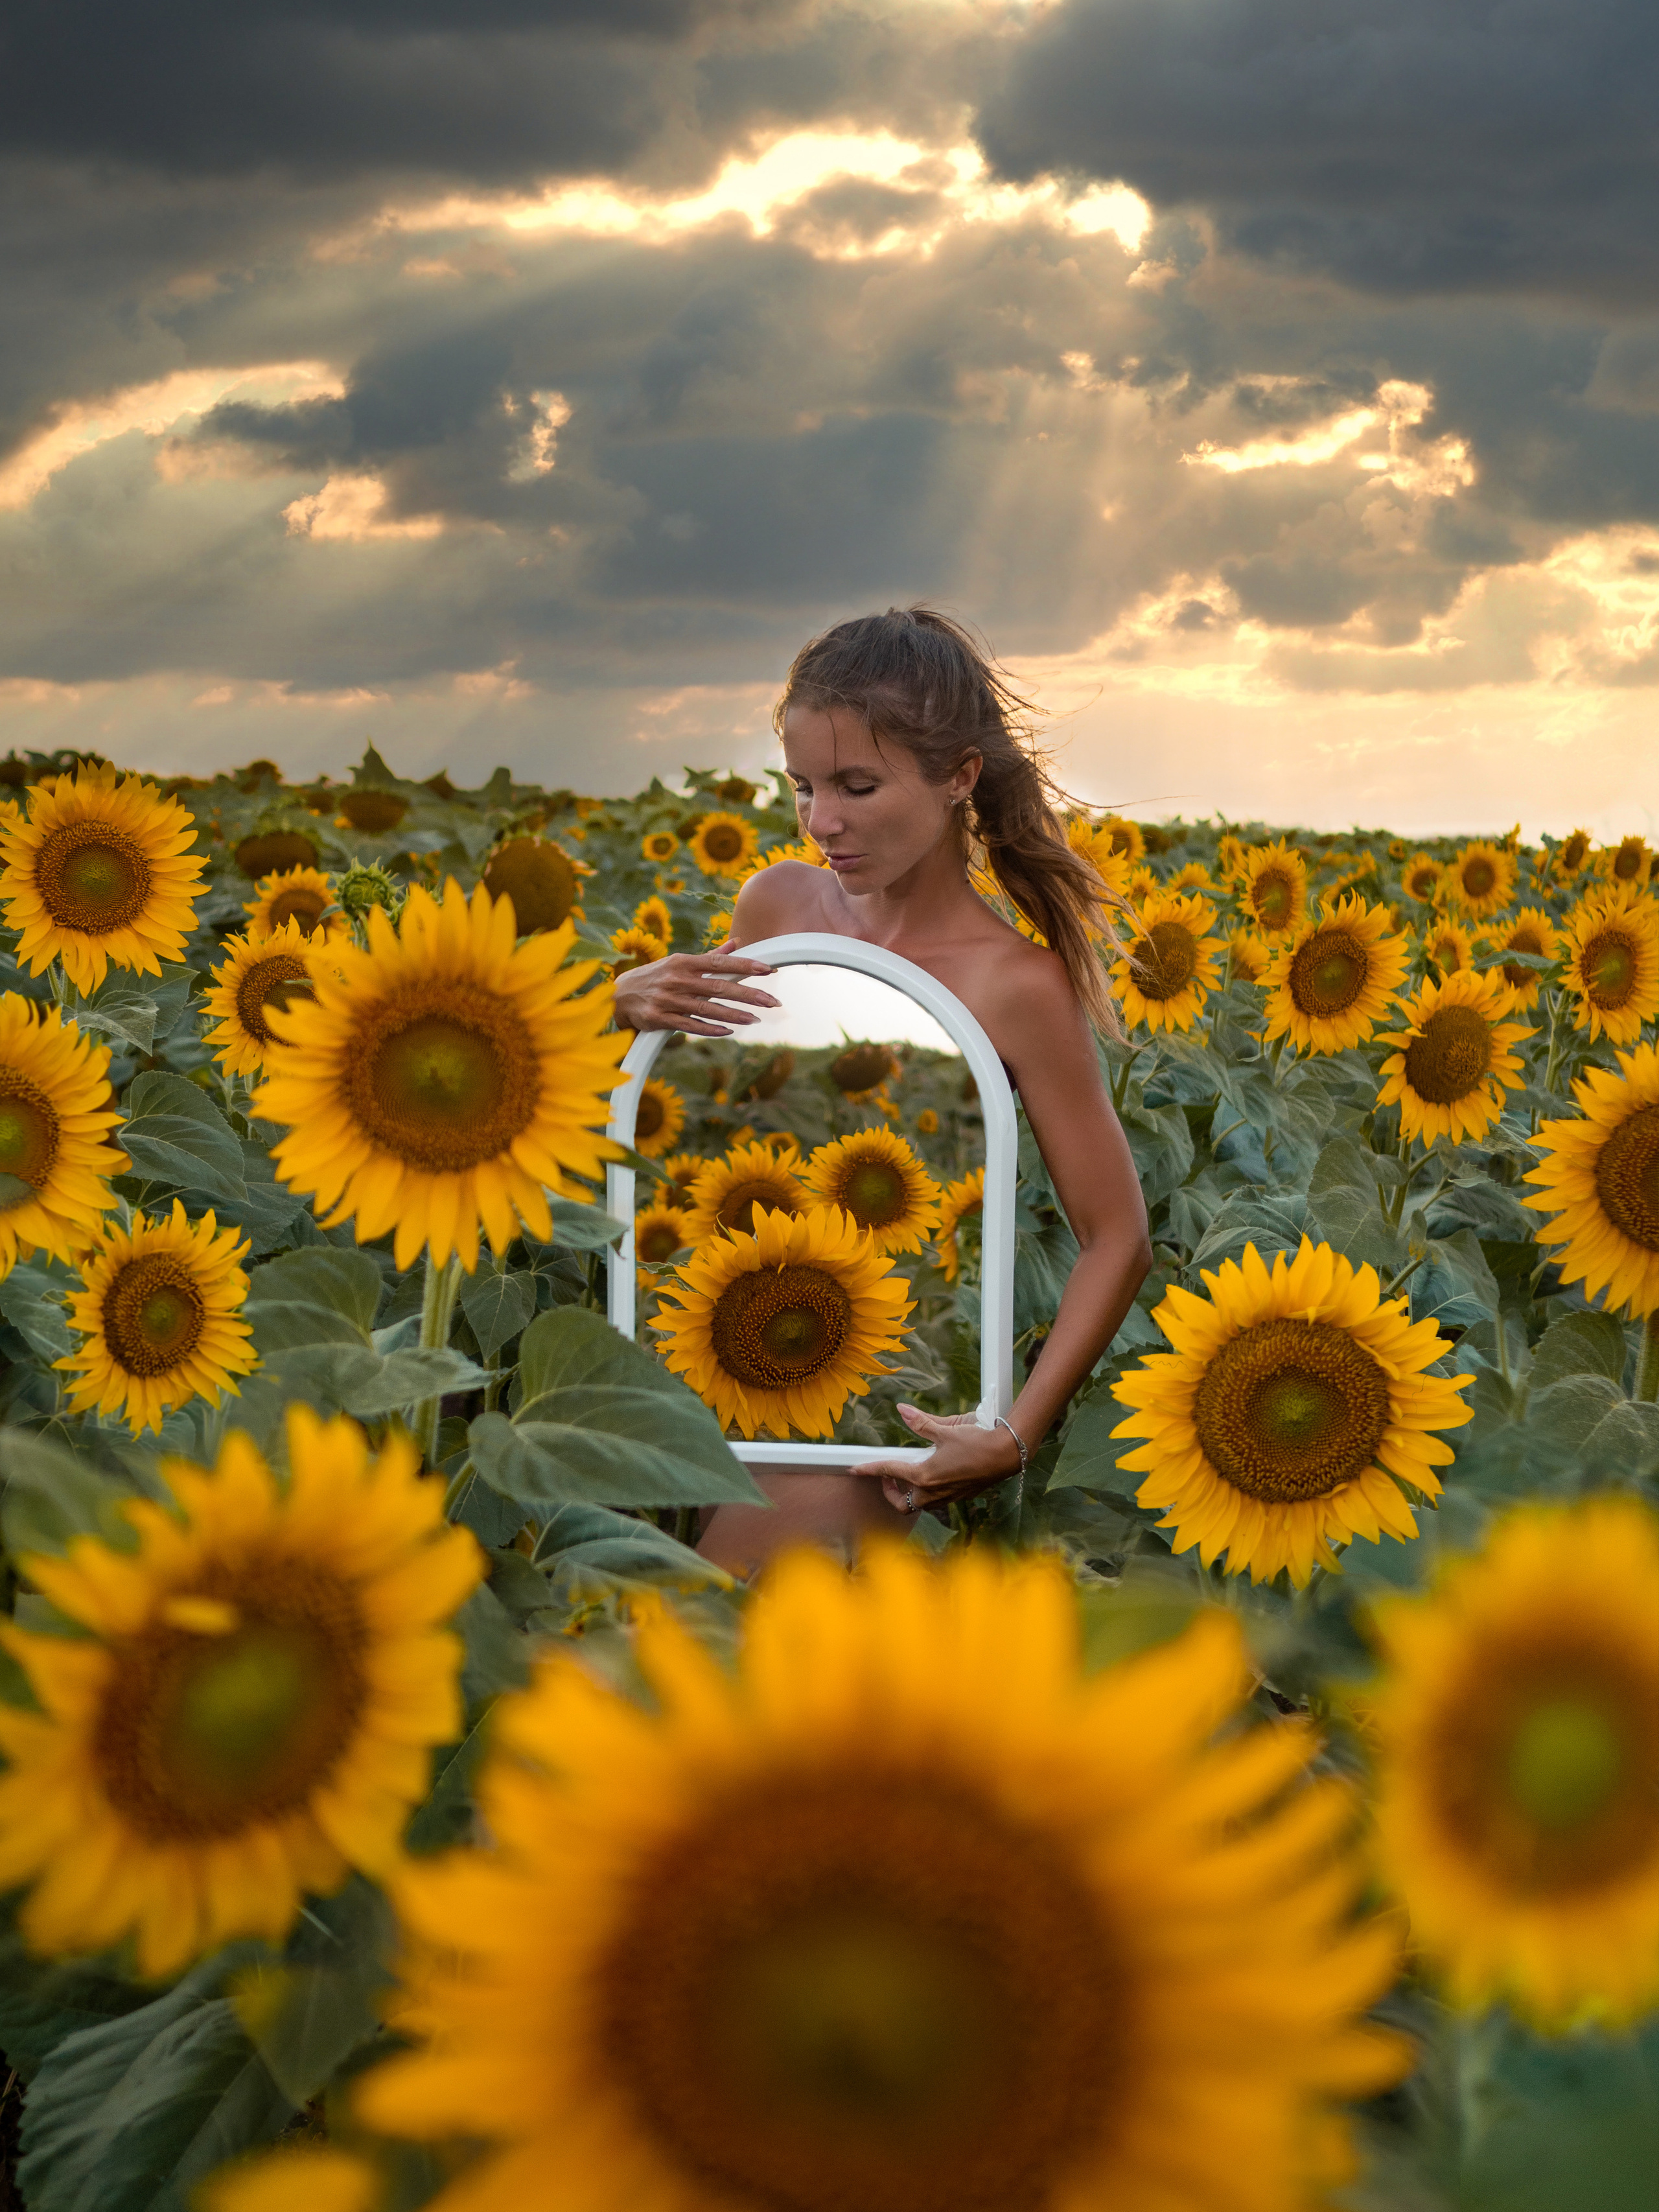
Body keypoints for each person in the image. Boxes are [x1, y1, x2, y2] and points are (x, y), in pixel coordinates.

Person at [612, 605, 1153, 1572]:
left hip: (881, 1395)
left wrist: (1010, 1433)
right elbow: (705, 1111)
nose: (823, 821)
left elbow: (1118, 1238)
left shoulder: (1015, 985)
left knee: (704, 1631)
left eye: (858, 785)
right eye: (805, 786)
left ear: (959, 779)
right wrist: (626, 1005)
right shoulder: (776, 904)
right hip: (713, 1341)